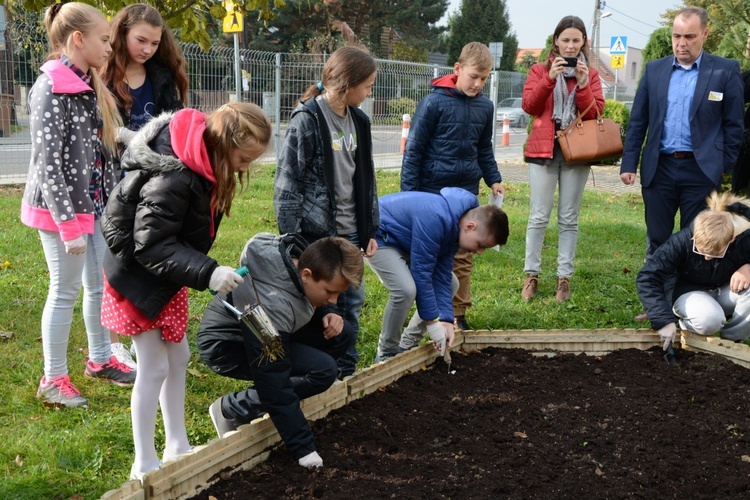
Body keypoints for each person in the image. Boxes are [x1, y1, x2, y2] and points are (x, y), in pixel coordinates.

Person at [99, 102, 272, 480]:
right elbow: (149, 246)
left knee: (178, 357)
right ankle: (143, 461)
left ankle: (176, 442)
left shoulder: (203, 164)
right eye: (244, 159)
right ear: (224, 144)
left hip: (166, 277)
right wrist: (209, 272)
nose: (246, 168)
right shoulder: (175, 177)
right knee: (154, 365)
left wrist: (201, 269)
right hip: (137, 279)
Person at [20, 2, 135, 410]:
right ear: (77, 39)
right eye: (104, 39)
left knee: (98, 285)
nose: (110, 47)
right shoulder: (50, 88)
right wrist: (68, 227)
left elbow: (101, 145)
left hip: (93, 206)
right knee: (64, 290)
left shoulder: (87, 83)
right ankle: (53, 379)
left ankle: (101, 360)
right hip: (60, 213)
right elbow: (48, 165)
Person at [197, 234, 364, 469]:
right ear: (306, 275)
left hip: (275, 327)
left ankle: (294, 389)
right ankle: (231, 409)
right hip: (228, 345)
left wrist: (327, 308)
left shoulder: (301, 259)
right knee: (323, 371)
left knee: (341, 332)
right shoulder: (269, 306)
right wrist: (304, 449)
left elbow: (309, 294)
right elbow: (272, 376)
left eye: (338, 293)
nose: (335, 300)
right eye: (329, 293)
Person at [274, 46, 379, 378]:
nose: (370, 92)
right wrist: (292, 240)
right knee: (318, 307)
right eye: (367, 85)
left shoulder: (359, 121)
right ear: (347, 83)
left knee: (352, 302)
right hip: (316, 235)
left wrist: (370, 229)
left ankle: (344, 371)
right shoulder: (308, 120)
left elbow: (366, 179)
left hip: (351, 234)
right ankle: (318, 369)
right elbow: (287, 184)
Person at [100, 3, 190, 369]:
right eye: (141, 40)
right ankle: (113, 342)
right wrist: (129, 138)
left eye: (155, 42)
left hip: (154, 179)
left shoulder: (162, 76)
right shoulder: (102, 75)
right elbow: (101, 129)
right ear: (121, 33)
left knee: (148, 250)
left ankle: (144, 330)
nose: (148, 49)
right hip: (115, 179)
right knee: (116, 259)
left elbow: (176, 123)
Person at [620, 6, 744, 259]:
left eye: (689, 37)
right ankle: (656, 294)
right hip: (659, 168)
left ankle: (686, 295)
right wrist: (629, 163)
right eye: (677, 36)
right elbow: (637, 121)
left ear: (705, 34)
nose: (681, 43)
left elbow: (734, 124)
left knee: (695, 239)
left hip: (701, 171)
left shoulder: (724, 70)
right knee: (657, 239)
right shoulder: (655, 70)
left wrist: (722, 165)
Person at [400, 42, 505, 331]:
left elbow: (484, 148)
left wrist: (493, 178)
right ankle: (421, 312)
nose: (478, 83)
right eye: (473, 76)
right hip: (431, 191)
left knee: (463, 254)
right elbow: (415, 150)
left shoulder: (486, 106)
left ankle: (457, 314)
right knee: (429, 254)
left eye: (484, 79)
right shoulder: (434, 103)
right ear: (457, 69)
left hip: (466, 194)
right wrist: (410, 194)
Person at [365, 187, 509, 361]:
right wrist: (432, 322)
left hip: (407, 243)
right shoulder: (436, 218)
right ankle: (386, 352)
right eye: (480, 245)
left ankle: (407, 344)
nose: (479, 252)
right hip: (379, 236)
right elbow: (422, 274)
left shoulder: (456, 226)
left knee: (452, 283)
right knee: (405, 289)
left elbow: (441, 275)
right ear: (470, 227)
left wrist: (446, 320)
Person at [520, 15, 605, 303]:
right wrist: (550, 78)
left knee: (569, 219)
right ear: (556, 40)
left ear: (583, 43)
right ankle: (531, 275)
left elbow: (595, 114)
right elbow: (530, 106)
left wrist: (582, 86)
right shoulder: (538, 69)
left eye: (576, 40)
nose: (570, 46)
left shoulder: (590, 74)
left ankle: (563, 279)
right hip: (542, 151)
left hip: (576, 153)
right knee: (538, 217)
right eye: (565, 40)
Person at [637, 192, 750, 350]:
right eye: (701, 251)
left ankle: (731, 344)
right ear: (694, 236)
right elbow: (648, 277)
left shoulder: (744, 238)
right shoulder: (681, 241)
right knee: (709, 320)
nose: (706, 258)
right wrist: (663, 320)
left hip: (727, 290)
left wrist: (748, 267)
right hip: (689, 292)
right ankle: (689, 327)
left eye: (714, 254)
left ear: (731, 239)